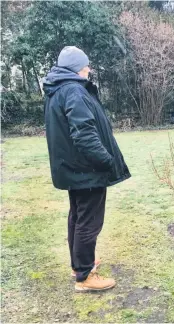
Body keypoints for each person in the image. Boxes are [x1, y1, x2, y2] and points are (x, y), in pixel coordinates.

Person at [43, 46, 131, 292]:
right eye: (86, 66)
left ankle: (79, 263)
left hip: (74, 169)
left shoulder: (58, 89)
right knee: (88, 222)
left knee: (78, 217)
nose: (89, 69)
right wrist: (105, 160)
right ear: (76, 68)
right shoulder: (73, 91)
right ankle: (85, 276)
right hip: (87, 170)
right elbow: (84, 134)